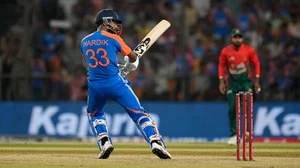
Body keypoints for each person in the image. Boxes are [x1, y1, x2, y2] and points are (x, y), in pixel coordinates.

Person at [80, 9, 171, 159]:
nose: (117, 26)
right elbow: (133, 57)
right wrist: (130, 65)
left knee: (95, 114)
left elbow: (92, 65)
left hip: (95, 86)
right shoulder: (114, 39)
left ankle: (104, 142)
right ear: (106, 21)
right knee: (139, 114)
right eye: (114, 22)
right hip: (116, 84)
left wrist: (118, 68)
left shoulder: (84, 41)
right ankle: (156, 142)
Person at [218, 28, 261, 145]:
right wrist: (221, 82)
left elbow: (256, 63)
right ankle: (234, 135)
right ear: (232, 38)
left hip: (245, 82)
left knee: (247, 107)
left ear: (242, 38)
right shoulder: (225, 51)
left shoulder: (249, 50)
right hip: (232, 82)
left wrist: (256, 80)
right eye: (235, 37)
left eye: (239, 37)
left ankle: (247, 132)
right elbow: (221, 66)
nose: (237, 39)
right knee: (232, 108)